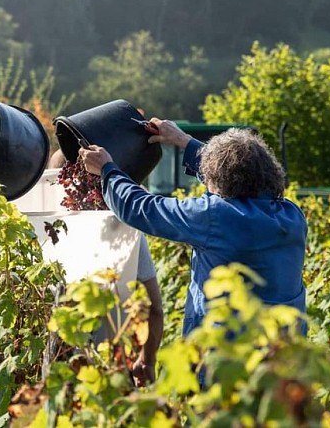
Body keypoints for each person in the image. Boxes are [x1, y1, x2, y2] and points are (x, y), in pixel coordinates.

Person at [78, 119, 307, 340]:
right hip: (286, 355)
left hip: (226, 358)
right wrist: (184, 140)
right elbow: (235, 174)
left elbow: (141, 208)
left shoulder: (216, 216)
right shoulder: (292, 216)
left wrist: (108, 170)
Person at [49, 148, 163, 386]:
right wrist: (147, 360)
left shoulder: (38, 234)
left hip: (53, 375)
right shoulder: (124, 232)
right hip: (113, 371)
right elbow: (154, 309)